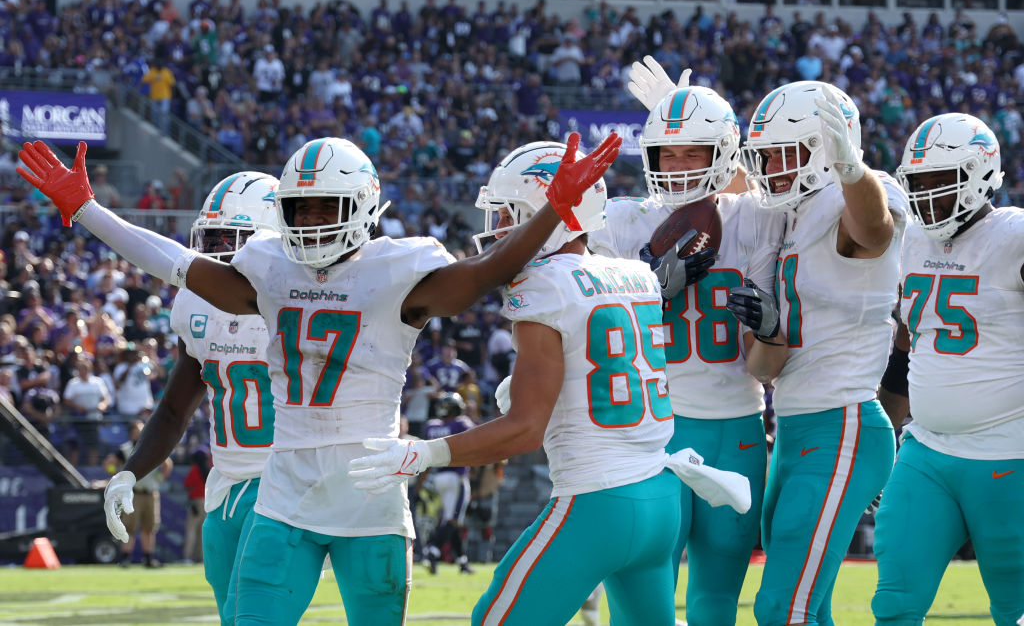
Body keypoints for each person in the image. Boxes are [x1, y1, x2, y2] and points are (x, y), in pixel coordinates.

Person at [18, 132, 620, 626]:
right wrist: (88, 210)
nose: (308, 221)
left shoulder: (398, 271)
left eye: (324, 206)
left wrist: (552, 212)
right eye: (298, 207)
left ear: (361, 206)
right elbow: (176, 263)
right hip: (285, 492)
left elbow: (487, 271)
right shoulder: (268, 267)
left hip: (371, 490)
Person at [349, 141, 751, 626]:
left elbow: (525, 430)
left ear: (551, 215)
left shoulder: (541, 285)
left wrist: (423, 454)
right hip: (659, 501)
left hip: (598, 503)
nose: (498, 231)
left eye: (509, 215)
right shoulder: (637, 276)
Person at [590, 60, 786, 626]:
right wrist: (650, 288)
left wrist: (771, 328)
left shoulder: (757, 218)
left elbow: (768, 365)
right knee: (639, 595)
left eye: (693, 152)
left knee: (716, 599)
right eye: (665, 153)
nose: (676, 167)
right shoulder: (622, 222)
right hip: (650, 430)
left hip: (738, 426)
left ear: (723, 154)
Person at [738, 81, 910, 625]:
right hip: (792, 428)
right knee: (810, 608)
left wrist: (853, 171)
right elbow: (765, 368)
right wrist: (769, 333)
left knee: (781, 609)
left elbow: (875, 232)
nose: (770, 167)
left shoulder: (856, 195)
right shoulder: (787, 217)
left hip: (844, 424)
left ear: (823, 147)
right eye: (762, 155)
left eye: (782, 153)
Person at [103, 171, 280, 626]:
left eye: (233, 239)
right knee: (232, 616)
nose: (218, 253)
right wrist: (131, 469)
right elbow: (176, 407)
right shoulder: (194, 304)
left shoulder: (299, 305)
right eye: (212, 238)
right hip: (226, 487)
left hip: (288, 483)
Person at [872, 114, 1024, 625]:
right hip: (927, 453)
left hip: (1011, 455)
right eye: (920, 182)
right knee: (893, 604)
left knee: (1016, 609)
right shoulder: (913, 241)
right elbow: (904, 346)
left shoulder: (1013, 234)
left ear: (980, 175)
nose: (929, 194)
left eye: (943, 180)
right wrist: (883, 432)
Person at [103, 419, 173, 568]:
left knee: (150, 527)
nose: (139, 434)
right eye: (136, 431)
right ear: (130, 434)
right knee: (129, 526)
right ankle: (125, 558)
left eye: (140, 430)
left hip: (150, 492)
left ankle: (148, 558)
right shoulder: (125, 449)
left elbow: (167, 464)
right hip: (132, 494)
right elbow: (109, 463)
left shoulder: (152, 447)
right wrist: (117, 477)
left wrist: (160, 479)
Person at [421, 392, 475, 575]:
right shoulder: (461, 423)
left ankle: (462, 562)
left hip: (437, 477)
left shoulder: (431, 426)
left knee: (452, 521)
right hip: (456, 477)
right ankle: (433, 551)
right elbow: (478, 436)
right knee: (453, 520)